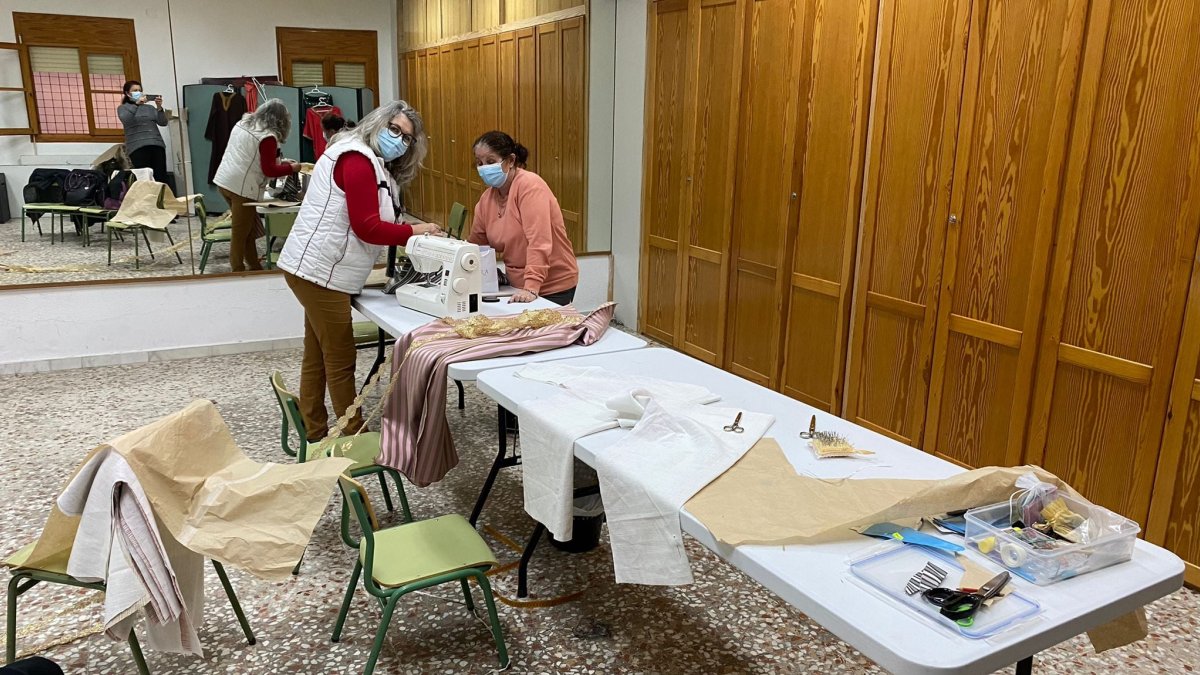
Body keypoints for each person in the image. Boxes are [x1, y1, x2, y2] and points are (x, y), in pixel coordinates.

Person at [277, 100, 443, 441]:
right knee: (340, 359)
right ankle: (352, 433)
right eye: (394, 129)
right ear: (378, 123)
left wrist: (409, 231)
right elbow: (367, 227)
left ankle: (314, 427)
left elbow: (378, 219)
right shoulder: (356, 159)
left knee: (318, 352)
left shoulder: (370, 162)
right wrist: (417, 231)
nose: (399, 139)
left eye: (407, 137)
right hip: (320, 272)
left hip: (316, 269)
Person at [469, 131, 578, 304]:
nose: (484, 168)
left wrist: (531, 287)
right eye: (479, 163)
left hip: (552, 284)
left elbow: (539, 242)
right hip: (516, 285)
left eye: (490, 162)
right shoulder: (486, 199)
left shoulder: (530, 187)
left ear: (511, 161)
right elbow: (477, 244)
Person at [213, 98, 300, 271]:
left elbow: (252, 156)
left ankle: (254, 265)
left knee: (248, 229)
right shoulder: (268, 137)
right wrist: (292, 168)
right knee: (241, 233)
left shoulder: (243, 122)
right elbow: (269, 170)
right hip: (242, 187)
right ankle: (237, 268)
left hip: (224, 181)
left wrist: (281, 163)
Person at [117, 80, 168, 183]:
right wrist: (136, 104)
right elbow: (126, 119)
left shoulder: (149, 108)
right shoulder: (123, 108)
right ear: (127, 93)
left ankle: (161, 198)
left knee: (160, 177)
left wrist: (159, 108)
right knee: (143, 179)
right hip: (137, 147)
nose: (138, 92)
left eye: (140, 90)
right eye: (135, 90)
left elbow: (163, 122)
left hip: (156, 144)